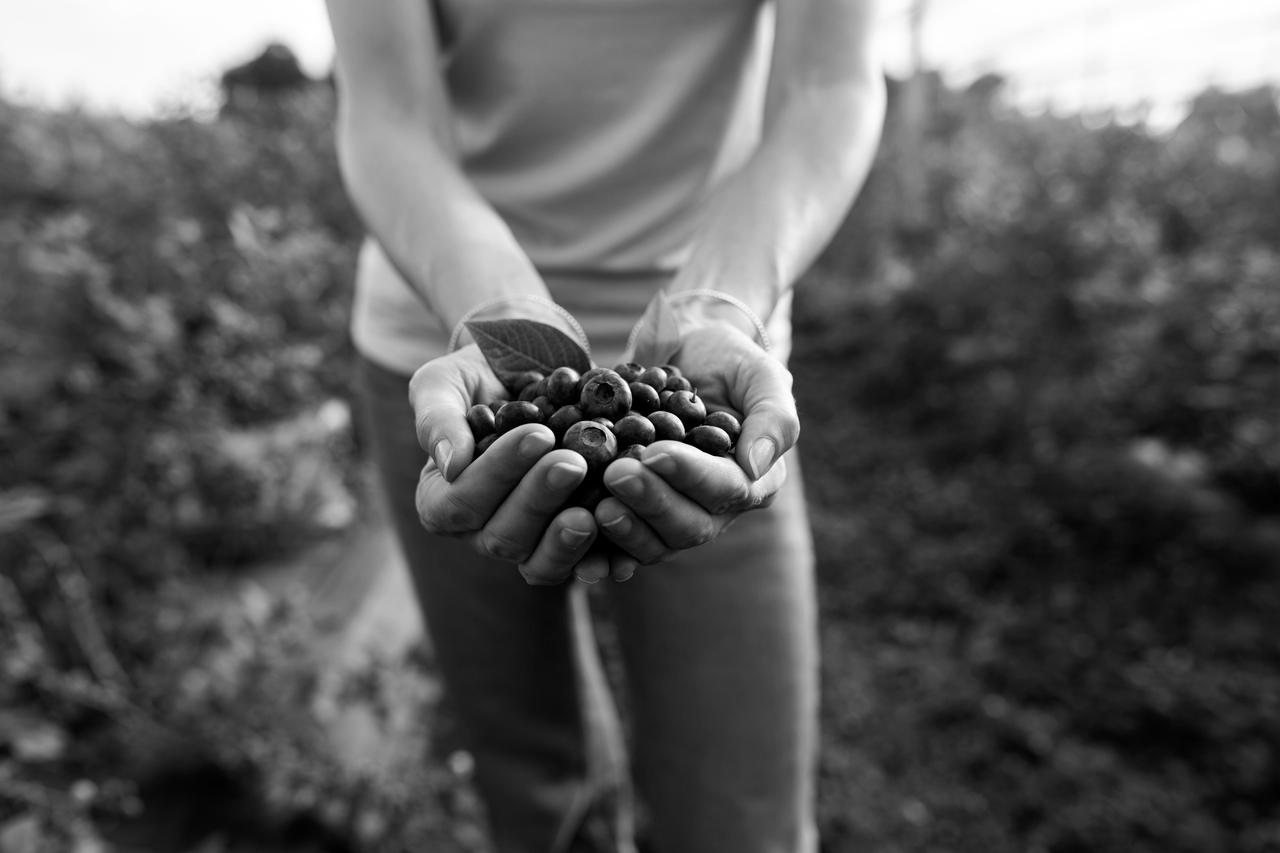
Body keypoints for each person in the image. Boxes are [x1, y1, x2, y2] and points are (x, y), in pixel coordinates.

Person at [323, 0, 885, 850]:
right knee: (537, 796)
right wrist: (497, 312)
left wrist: (722, 304)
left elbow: (829, 84)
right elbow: (386, 111)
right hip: (453, 356)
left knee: (742, 817)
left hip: (712, 372)